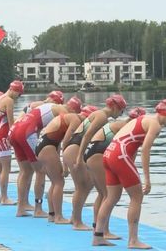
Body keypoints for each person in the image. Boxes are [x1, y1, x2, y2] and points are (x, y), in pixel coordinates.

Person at [92, 99, 166, 249]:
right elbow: (145, 150)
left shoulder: (143, 118)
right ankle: (133, 240)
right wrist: (147, 180)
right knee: (137, 197)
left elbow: (129, 142)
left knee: (111, 197)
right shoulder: (155, 125)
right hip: (119, 156)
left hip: (109, 154)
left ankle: (98, 236)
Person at [9, 96, 82, 217]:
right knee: (41, 171)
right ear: (74, 110)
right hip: (27, 133)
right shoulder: (63, 112)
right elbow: (57, 137)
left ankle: (21, 206)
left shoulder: (47, 106)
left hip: (15, 130)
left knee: (25, 171)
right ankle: (38, 209)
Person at [63, 94, 126, 230]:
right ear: (115, 107)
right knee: (82, 188)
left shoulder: (98, 114)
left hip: (72, 148)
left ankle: (76, 219)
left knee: (86, 187)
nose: (121, 114)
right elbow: (87, 135)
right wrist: (80, 158)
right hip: (75, 149)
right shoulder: (102, 116)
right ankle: (77, 222)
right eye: (121, 110)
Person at [85, 107, 146, 239]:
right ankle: (103, 232)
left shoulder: (120, 124)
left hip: (93, 153)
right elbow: (130, 154)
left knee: (103, 194)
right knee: (108, 196)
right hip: (98, 154)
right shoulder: (129, 128)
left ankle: (98, 229)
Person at [36, 105, 98, 224]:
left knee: (55, 182)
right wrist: (65, 166)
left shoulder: (67, 117)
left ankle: (52, 214)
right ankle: (58, 217)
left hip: (44, 145)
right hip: (46, 146)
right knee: (59, 182)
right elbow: (66, 142)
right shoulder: (75, 120)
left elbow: (57, 140)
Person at [0, 80, 23, 205]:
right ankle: (4, 198)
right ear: (14, 90)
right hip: (2, 137)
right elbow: (10, 122)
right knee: (5, 168)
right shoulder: (9, 100)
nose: (18, 97)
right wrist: (13, 137)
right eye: (18, 94)